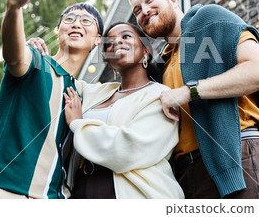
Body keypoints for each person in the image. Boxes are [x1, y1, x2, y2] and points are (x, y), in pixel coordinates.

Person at [128, 0, 259, 199]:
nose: (144, 11)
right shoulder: (162, 62)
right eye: (136, 10)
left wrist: (190, 91)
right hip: (188, 176)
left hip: (239, 157)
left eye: (149, 0)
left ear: (173, 0)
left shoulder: (209, 19)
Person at [0, 0, 103, 199]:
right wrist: (14, 7)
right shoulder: (36, 62)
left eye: (86, 21)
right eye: (69, 19)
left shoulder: (86, 93)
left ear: (98, 40)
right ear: (59, 31)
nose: (76, 24)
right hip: (7, 195)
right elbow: (15, 56)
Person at [62, 22, 184, 199]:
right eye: (109, 43)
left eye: (126, 36)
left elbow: (130, 148)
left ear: (145, 50)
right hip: (82, 188)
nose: (116, 43)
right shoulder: (93, 92)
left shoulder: (159, 95)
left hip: (137, 193)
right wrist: (37, 51)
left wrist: (77, 123)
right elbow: (59, 79)